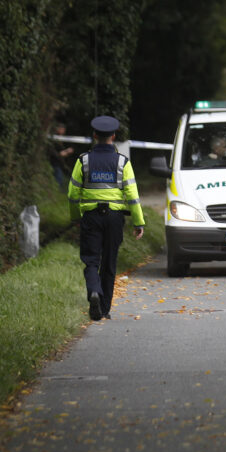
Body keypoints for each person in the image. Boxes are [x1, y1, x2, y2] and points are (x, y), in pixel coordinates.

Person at [68, 116, 145, 321]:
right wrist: (138, 222)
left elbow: (73, 193)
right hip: (114, 218)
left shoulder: (83, 160)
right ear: (114, 136)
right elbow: (132, 195)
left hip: (91, 216)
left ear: (94, 135)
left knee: (92, 260)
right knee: (110, 262)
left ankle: (94, 290)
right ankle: (104, 309)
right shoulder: (122, 162)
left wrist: (76, 218)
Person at [48, 123, 76, 189]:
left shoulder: (64, 138)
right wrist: (59, 154)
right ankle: (56, 189)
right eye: (61, 129)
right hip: (54, 161)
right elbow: (51, 149)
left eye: (64, 129)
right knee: (58, 176)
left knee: (60, 176)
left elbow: (70, 147)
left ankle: (57, 189)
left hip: (61, 162)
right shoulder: (53, 137)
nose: (63, 131)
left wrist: (68, 151)